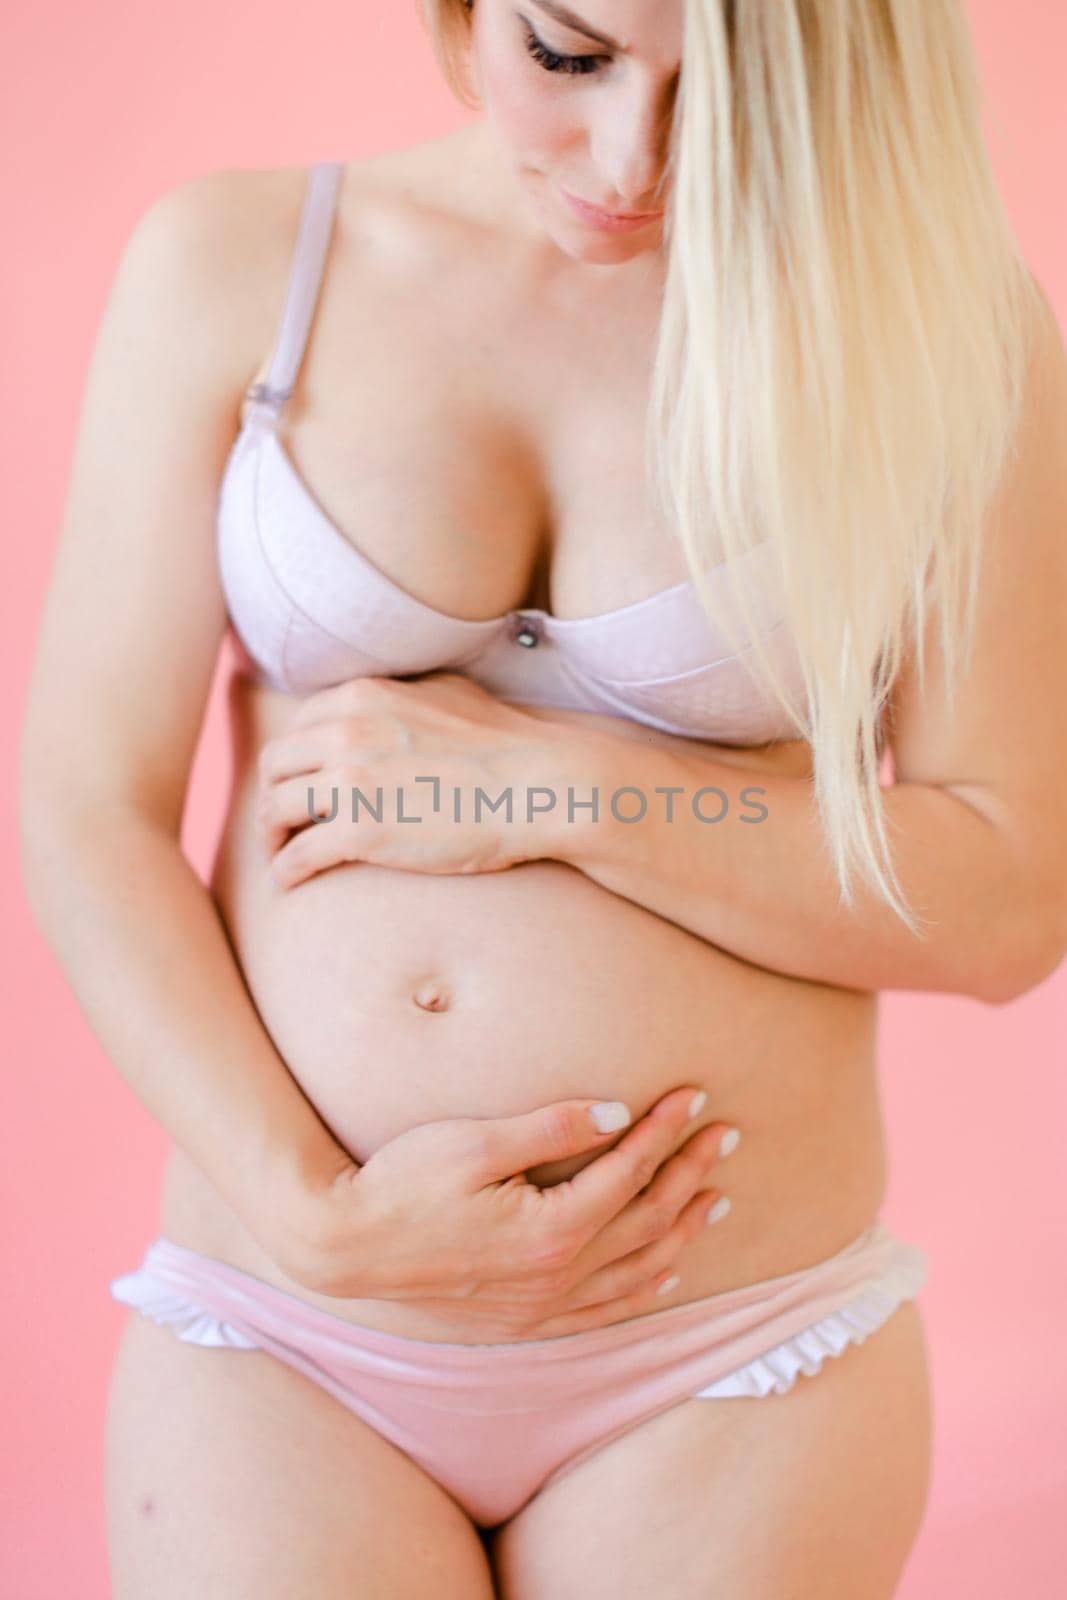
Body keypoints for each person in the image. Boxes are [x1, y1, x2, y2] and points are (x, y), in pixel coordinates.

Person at [18, 1, 1067, 1595]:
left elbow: (1009, 897)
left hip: (728, 1353)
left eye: (725, 98)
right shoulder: (237, 266)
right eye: (567, 56)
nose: (631, 160)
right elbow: (88, 804)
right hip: (289, 1333)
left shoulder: (935, 335)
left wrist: (562, 789)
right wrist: (313, 1218)